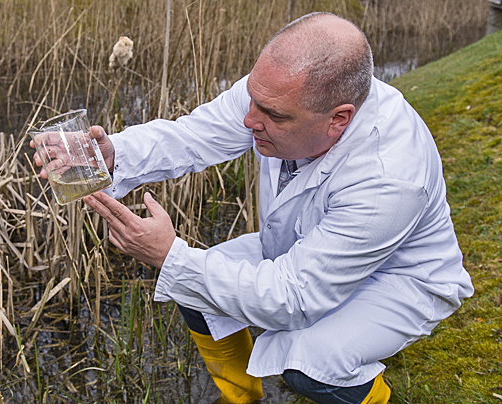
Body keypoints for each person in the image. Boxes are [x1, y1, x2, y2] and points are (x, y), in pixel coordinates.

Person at [32, 12, 474, 404]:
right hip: (300, 249)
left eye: (273, 116)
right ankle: (239, 397)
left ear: (338, 119)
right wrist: (115, 154)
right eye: (252, 100)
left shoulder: (389, 176)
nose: (248, 122)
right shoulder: (285, 94)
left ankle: (375, 398)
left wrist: (170, 256)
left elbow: (294, 298)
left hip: (398, 279)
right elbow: (196, 134)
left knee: (309, 365)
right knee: (197, 289)